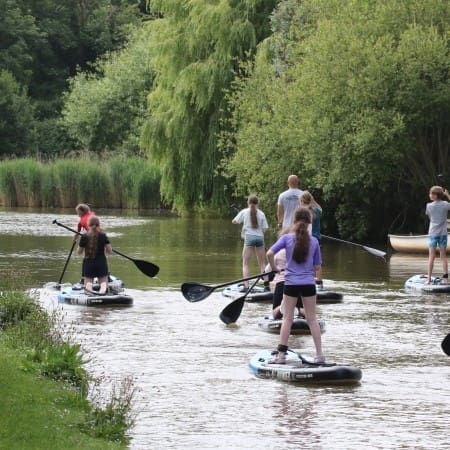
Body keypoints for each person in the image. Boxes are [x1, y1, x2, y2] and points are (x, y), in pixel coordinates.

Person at [267, 207, 324, 364]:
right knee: (312, 319)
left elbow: (270, 253)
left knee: (287, 319)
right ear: (309, 223)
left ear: (294, 221)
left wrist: (274, 268)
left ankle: (280, 356)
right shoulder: (314, 241)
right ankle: (320, 355)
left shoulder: (286, 238)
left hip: (290, 283)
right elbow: (317, 267)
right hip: (308, 284)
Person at [232, 195, 269, 291]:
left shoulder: (244, 212)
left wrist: (238, 220)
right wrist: (259, 233)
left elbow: (234, 221)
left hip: (249, 238)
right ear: (258, 203)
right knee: (262, 263)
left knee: (245, 263)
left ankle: (246, 286)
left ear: (248, 203)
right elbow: (265, 228)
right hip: (260, 238)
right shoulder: (262, 214)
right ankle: (267, 286)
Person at [77, 215, 112, 294]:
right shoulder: (103, 236)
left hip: (88, 264)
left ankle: (89, 286)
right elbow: (110, 251)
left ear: (88, 225)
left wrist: (79, 244)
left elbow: (79, 252)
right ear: (98, 225)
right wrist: (105, 249)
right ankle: (103, 287)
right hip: (101, 263)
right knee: (103, 283)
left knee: (88, 283)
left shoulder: (84, 236)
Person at [425, 185, 450, 284]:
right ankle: (446, 279)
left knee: (431, 257)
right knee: (443, 257)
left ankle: (428, 279)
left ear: (435, 195)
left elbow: (430, 217)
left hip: (433, 234)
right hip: (443, 234)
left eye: (431, 193)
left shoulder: (429, 206)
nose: (429, 195)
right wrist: (447, 195)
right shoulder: (445, 204)